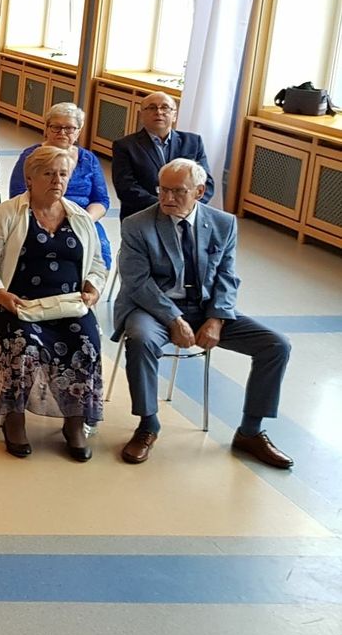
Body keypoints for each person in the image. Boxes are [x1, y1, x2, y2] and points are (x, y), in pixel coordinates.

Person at [114, 159, 295, 469]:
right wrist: (174, 319)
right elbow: (138, 283)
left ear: (199, 192)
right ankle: (148, 425)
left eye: (178, 191)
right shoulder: (137, 225)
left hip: (205, 308)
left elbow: (227, 276)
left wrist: (217, 318)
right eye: (163, 190)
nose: (168, 198)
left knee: (276, 345)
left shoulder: (223, 223)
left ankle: (250, 431)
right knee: (141, 339)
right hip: (153, 308)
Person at [0, 146, 106, 461]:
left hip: (68, 305)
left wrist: (93, 288)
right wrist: (1, 294)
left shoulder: (80, 217)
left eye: (63, 174)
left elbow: (97, 263)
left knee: (87, 343)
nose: (57, 180)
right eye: (49, 173)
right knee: (21, 345)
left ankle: (74, 421)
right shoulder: (6, 214)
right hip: (19, 305)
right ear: (30, 178)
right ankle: (13, 417)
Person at [6, 103, 113, 268]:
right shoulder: (31, 156)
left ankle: (88, 284)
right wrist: (50, 218)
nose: (62, 132)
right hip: (40, 217)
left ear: (78, 132)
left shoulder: (88, 159)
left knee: (100, 253)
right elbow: (17, 194)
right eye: (56, 127)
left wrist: (84, 220)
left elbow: (101, 200)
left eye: (69, 128)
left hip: (82, 218)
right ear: (47, 129)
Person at [112, 92, 214, 219]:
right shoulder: (125, 146)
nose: (159, 112)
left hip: (186, 214)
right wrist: (165, 207)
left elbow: (206, 183)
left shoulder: (193, 142)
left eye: (165, 107)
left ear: (174, 115)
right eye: (152, 108)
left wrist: (186, 206)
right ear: (141, 115)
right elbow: (126, 187)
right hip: (144, 214)